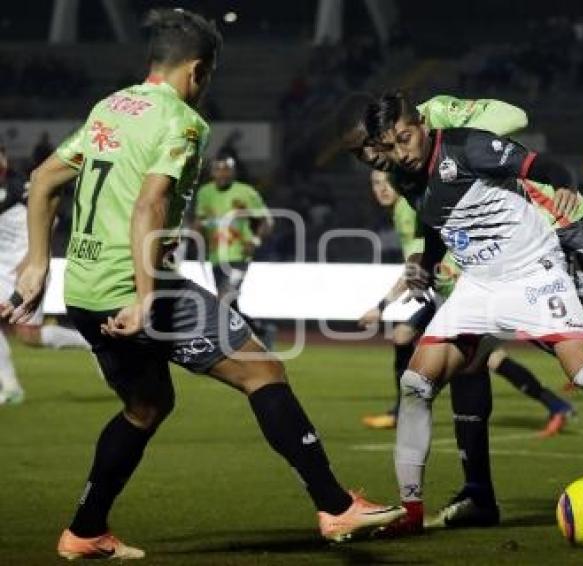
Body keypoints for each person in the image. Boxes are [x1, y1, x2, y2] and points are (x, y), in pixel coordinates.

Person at [0, 9, 403, 559]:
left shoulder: (110, 108)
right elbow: (152, 201)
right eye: (207, 75)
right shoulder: (181, 121)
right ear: (196, 70)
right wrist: (145, 297)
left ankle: (85, 531)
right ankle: (336, 507)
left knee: (145, 407)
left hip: (86, 291)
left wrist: (39, 263)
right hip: (137, 286)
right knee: (263, 370)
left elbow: (44, 178)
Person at [340, 91, 583, 528]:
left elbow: (540, 164)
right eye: (380, 150)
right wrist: (426, 265)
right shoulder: (404, 175)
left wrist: (563, 184)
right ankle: (414, 511)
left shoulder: (464, 143)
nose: (390, 155)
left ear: (420, 125)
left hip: (535, 270)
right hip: (478, 284)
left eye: (401, 140)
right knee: (416, 382)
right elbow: (436, 224)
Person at [358, 170, 575, 435]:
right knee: (404, 336)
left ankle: (554, 403)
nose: (382, 188)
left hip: (460, 291)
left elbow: (418, 262)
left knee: (489, 359)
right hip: (448, 290)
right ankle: (402, 410)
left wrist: (382, 306)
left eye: (386, 182)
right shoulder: (405, 207)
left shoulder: (408, 209)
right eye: (375, 183)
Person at [1, 146, 90, 406]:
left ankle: (87, 342)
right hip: (1, 268)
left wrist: (33, 257)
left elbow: (50, 217)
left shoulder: (21, 186)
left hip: (27, 266)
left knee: (29, 335)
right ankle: (10, 387)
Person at [194, 152, 274, 346]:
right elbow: (200, 221)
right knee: (229, 307)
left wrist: (255, 240)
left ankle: (224, 345)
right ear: (212, 172)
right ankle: (262, 330)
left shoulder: (245, 192)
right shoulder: (205, 193)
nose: (222, 174)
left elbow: (266, 220)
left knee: (224, 298)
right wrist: (196, 230)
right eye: (218, 169)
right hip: (216, 256)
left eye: (227, 169)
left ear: (234, 172)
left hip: (239, 255)